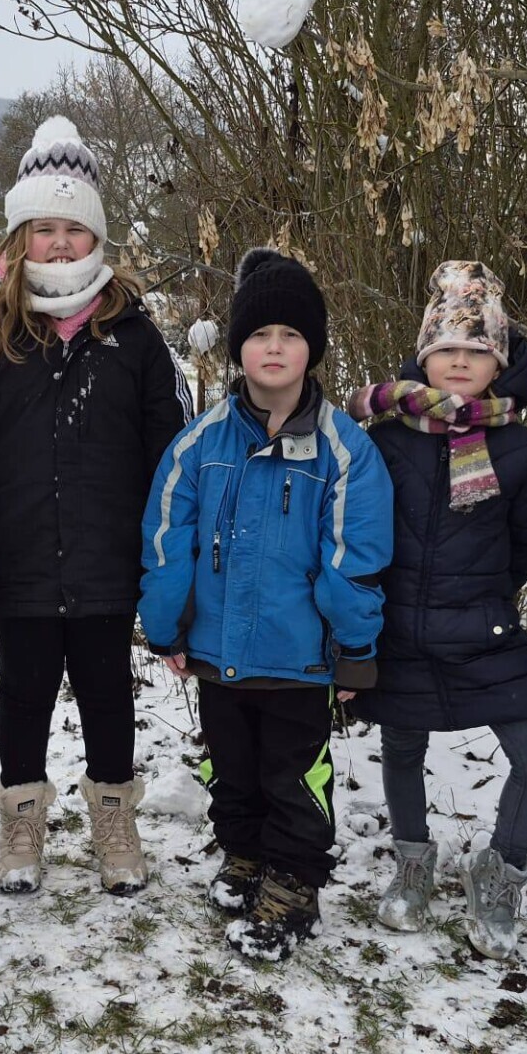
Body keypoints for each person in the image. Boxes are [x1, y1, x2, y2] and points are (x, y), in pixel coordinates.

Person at [0, 115, 192, 897]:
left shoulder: (135, 339)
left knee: (107, 692)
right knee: (22, 694)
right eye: (42, 229)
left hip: (107, 561)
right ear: (19, 241)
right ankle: (21, 821)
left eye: (73, 229)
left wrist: (163, 556)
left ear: (97, 239)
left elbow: (170, 459)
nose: (58, 243)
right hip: (17, 558)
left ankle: (115, 819)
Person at [139, 249, 392, 961]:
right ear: (237, 348)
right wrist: (167, 628)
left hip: (300, 660)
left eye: (290, 334)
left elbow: (354, 559)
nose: (273, 347)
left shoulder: (344, 452)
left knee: (294, 775)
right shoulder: (200, 443)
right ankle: (244, 853)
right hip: (219, 651)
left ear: (313, 348)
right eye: (258, 334)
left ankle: (293, 880)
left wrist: (355, 649)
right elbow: (167, 539)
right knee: (232, 767)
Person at [344, 262, 527, 960]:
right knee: (402, 747)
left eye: (477, 350)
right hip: (399, 629)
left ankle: (499, 870)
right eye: (447, 349)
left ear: (499, 362)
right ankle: (413, 862)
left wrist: (479, 595)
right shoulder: (383, 440)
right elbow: (359, 533)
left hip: (483, 630)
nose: (461, 362)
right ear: (424, 358)